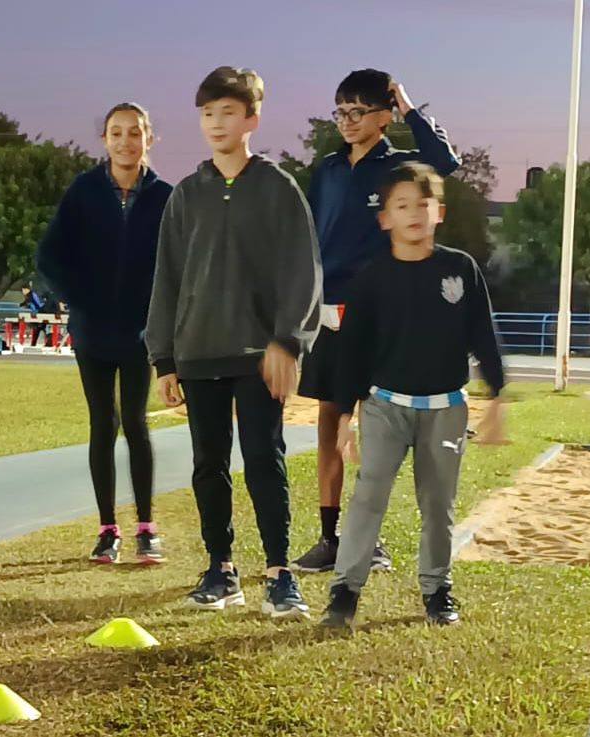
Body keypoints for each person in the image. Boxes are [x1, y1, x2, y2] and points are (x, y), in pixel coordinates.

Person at [146, 67, 322, 618]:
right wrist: (164, 358)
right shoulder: (186, 195)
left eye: (227, 112)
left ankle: (278, 572)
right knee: (208, 463)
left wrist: (288, 341)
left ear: (252, 118)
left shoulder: (277, 189)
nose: (216, 123)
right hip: (198, 353)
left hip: (258, 355)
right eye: (207, 114)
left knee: (264, 459)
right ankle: (220, 569)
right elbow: (167, 278)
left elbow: (302, 271)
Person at [319, 162, 506, 628]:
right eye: (402, 206)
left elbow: (483, 334)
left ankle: (437, 590)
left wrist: (496, 397)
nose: (414, 214)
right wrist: (344, 414)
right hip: (385, 407)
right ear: (385, 219)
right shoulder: (371, 278)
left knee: (438, 505)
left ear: (438, 212)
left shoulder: (459, 269)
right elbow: (352, 352)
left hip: (445, 408)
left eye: (423, 204)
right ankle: (344, 592)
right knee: (368, 496)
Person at [292, 69, 462, 575]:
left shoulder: (400, 165)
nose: (346, 121)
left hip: (380, 314)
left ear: (383, 115)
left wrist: (409, 106)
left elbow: (445, 162)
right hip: (327, 311)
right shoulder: (326, 169)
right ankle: (329, 538)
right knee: (329, 421)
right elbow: (309, 232)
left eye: (358, 111)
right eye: (339, 111)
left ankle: (372, 540)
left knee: (377, 428)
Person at [37, 102, 173, 564]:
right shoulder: (83, 191)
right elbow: (51, 256)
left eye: (134, 133)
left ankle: (146, 528)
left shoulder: (164, 197)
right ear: (105, 140)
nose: (125, 141)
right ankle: (107, 529)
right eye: (116, 133)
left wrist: (160, 314)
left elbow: (177, 264)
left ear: (148, 139)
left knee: (135, 422)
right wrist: (80, 298)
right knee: (103, 424)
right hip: (93, 331)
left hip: (140, 333)